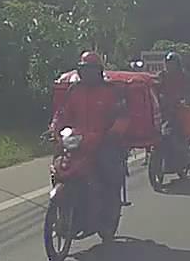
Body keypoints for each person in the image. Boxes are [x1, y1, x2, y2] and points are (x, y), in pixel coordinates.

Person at [50, 51, 131, 203]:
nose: (88, 74)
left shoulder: (111, 91)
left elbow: (123, 116)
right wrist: (55, 129)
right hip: (77, 142)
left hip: (103, 141)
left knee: (108, 168)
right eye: (85, 69)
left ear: (98, 71)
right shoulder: (74, 90)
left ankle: (111, 205)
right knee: (58, 166)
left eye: (91, 70)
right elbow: (62, 114)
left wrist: (114, 132)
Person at [157, 52, 190, 146]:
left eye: (173, 64)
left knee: (186, 115)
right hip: (165, 108)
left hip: (180, 107)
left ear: (178, 65)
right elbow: (155, 88)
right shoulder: (161, 76)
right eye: (168, 64)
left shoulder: (185, 76)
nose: (170, 66)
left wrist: (188, 96)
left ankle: (186, 140)